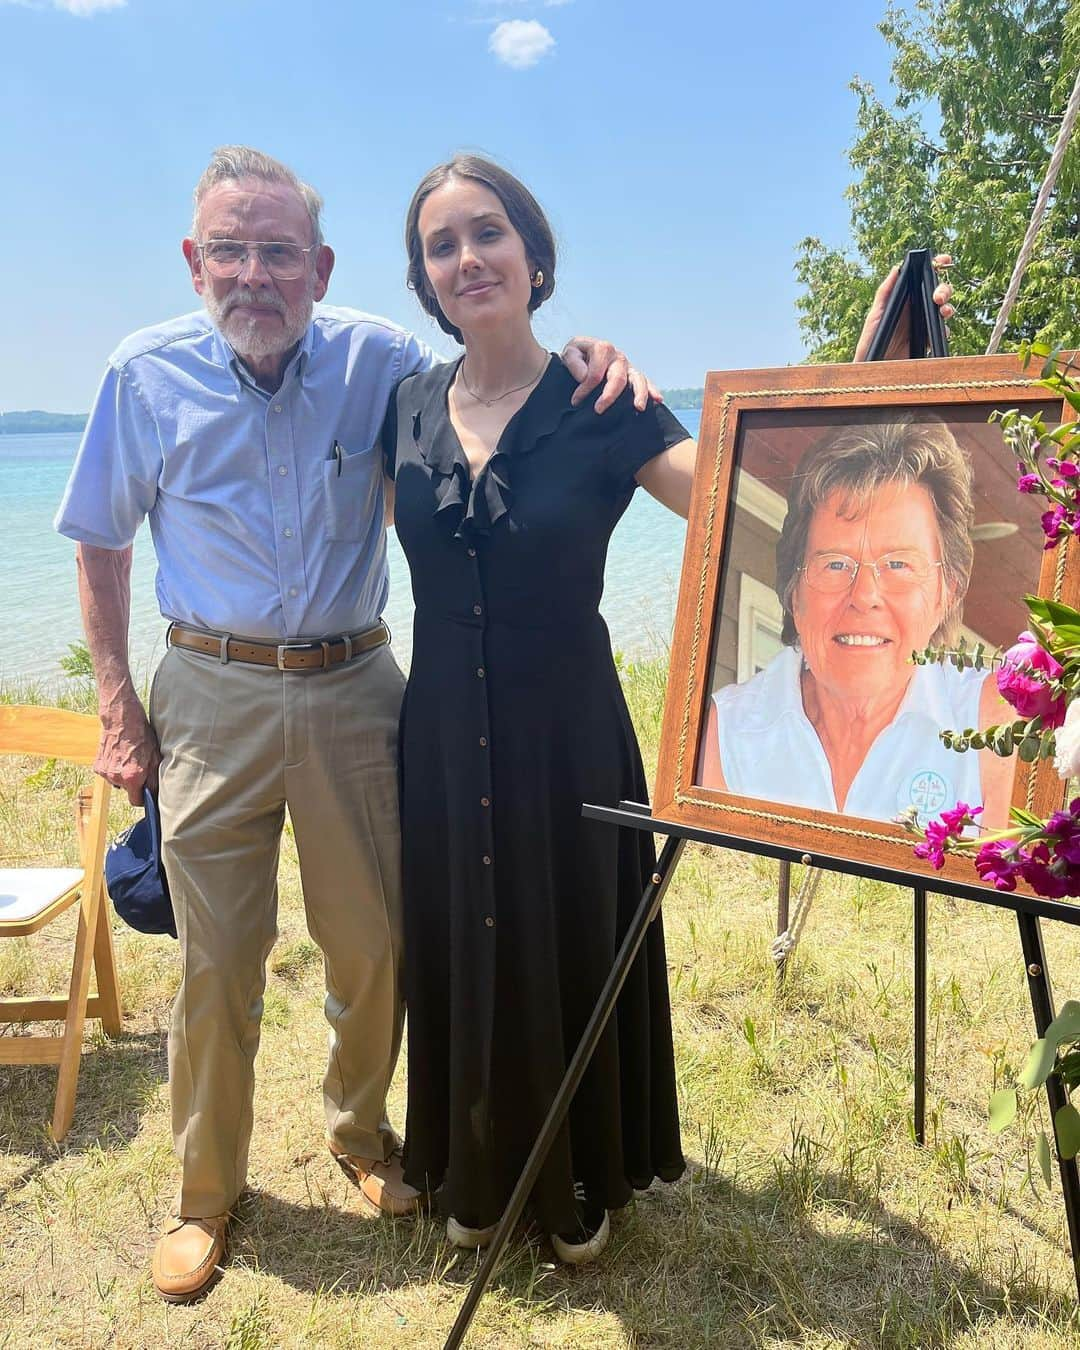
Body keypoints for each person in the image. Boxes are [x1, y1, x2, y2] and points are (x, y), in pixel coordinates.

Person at [53, 145, 651, 1304]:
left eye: (279, 251)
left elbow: (498, 390)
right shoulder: (143, 373)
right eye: (228, 249)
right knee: (217, 964)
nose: (253, 274)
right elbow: (101, 543)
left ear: (321, 266)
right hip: (210, 690)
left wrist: (596, 357)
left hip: (355, 684)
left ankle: (361, 1135)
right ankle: (205, 1197)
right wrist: (117, 707)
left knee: (375, 944)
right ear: (194, 261)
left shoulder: (382, 360)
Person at [383, 155, 701, 1264]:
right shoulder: (406, 407)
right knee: (458, 946)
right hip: (436, 737)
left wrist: (872, 424)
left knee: (569, 931)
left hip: (568, 726)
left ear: (532, 252)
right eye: (442, 244)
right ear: (425, 277)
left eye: (488, 233)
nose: (467, 258)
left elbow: (735, 512)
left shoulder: (605, 399)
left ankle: (583, 1171)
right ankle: (473, 1164)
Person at [699, 418, 1015, 827]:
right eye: (834, 563)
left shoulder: (994, 724)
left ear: (946, 592)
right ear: (794, 592)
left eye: (899, 563)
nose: (864, 596)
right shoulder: (728, 732)